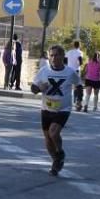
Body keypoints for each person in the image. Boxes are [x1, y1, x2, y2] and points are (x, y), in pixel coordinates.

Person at [30, 44, 82, 176]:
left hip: (63, 109)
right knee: (47, 138)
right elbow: (34, 89)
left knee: (53, 133)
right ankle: (56, 161)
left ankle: (60, 151)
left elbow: (79, 85)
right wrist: (39, 88)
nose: (53, 58)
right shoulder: (44, 71)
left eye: (56, 55)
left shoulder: (70, 72)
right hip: (46, 108)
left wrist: (79, 100)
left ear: (62, 56)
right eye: (51, 55)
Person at [65, 40, 85, 111]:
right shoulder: (80, 52)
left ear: (73, 45)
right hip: (76, 70)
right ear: (79, 46)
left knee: (68, 86)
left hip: (68, 70)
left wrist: (68, 66)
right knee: (79, 86)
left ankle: (67, 101)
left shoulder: (69, 52)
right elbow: (81, 62)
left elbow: (65, 61)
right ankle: (78, 102)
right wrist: (78, 65)